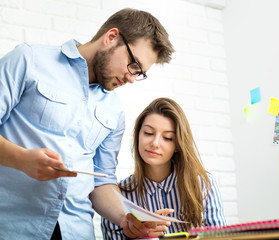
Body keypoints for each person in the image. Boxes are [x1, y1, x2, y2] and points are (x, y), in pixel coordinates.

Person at [0, 8, 174, 240]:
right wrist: (21, 160)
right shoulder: (28, 59)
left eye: (140, 73)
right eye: (134, 65)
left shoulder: (114, 109)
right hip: (13, 228)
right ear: (111, 37)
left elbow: (102, 181)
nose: (132, 78)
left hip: (77, 232)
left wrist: (126, 217)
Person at [101, 98, 227, 240]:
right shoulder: (117, 197)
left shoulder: (203, 184)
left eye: (167, 138)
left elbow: (220, 237)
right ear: (138, 136)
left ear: (178, 145)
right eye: (148, 133)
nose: (155, 143)